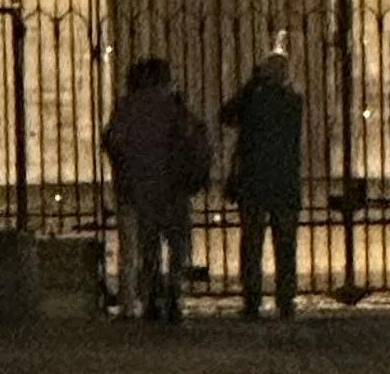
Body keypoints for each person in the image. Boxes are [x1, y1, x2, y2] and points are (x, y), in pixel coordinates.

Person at [102, 52, 209, 324]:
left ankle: (151, 299)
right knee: (176, 245)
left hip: (142, 187)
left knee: (149, 247)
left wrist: (127, 168)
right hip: (173, 187)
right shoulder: (174, 106)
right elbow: (194, 138)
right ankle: (173, 293)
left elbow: (113, 141)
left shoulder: (129, 106)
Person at [221, 32, 305, 318]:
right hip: (284, 181)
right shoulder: (293, 99)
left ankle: (252, 299)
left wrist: (251, 85)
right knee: (285, 245)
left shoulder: (254, 99)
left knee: (252, 243)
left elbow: (227, 115)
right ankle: (286, 299)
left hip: (254, 180)